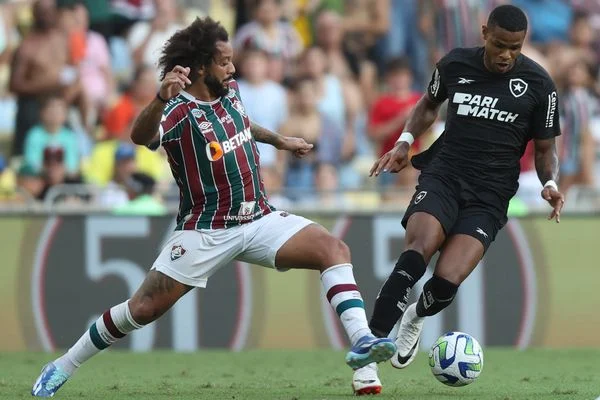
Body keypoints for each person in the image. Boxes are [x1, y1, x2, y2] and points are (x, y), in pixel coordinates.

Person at [31, 17, 396, 398]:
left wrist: (279, 140)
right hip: (206, 230)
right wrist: (159, 98)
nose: (232, 68)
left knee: (333, 249)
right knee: (142, 309)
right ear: (202, 66)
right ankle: (61, 366)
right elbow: (140, 137)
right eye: (224, 62)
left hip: (259, 217)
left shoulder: (230, 90)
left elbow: (242, 123)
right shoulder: (178, 110)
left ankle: (364, 351)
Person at [351, 4, 565, 395]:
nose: (506, 55)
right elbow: (429, 106)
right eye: (500, 45)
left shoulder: (539, 85)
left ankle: (415, 316)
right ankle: (368, 359)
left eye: (515, 48)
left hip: (490, 195)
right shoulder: (454, 65)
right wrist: (403, 142)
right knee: (418, 249)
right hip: (445, 176)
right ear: (484, 33)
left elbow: (546, 147)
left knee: (447, 280)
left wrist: (549, 182)